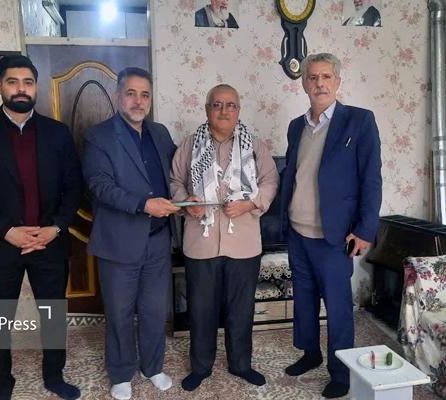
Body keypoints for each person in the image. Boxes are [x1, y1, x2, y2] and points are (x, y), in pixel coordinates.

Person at [0, 55, 83, 400]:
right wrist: (7, 231)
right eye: (12, 82)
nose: (21, 89)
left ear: (36, 86)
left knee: (53, 317)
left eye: (28, 82)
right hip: (0, 243)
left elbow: (74, 187)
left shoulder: (58, 133)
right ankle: (0, 384)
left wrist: (56, 227)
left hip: (49, 242)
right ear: (0, 86)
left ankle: (54, 377)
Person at [279, 53, 382, 398]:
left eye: (326, 76)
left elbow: (371, 179)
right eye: (313, 77)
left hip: (335, 236)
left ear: (337, 81)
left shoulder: (359, 121)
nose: (319, 83)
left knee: (337, 308)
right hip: (298, 232)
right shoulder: (296, 126)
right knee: (304, 300)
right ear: (304, 84)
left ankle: (340, 371)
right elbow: (293, 174)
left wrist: (365, 230)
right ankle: (310, 353)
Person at [170, 84, 279, 391]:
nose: (224, 110)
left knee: (241, 309)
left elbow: (270, 180)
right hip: (200, 242)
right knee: (201, 309)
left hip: (243, 243)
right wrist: (187, 203)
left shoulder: (254, 145)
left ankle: (241, 364)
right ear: (207, 109)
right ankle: (200, 367)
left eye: (231, 105)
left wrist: (251, 203)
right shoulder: (190, 144)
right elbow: (175, 181)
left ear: (238, 111)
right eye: (217, 104)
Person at [82, 67, 179, 400]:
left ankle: (153, 367)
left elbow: (176, 173)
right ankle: (121, 373)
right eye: (131, 93)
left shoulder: (160, 133)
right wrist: (143, 204)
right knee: (120, 312)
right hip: (119, 241)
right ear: (117, 96)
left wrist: (190, 197)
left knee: (154, 311)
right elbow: (99, 185)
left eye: (145, 94)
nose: (138, 101)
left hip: (158, 240)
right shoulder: (99, 136)